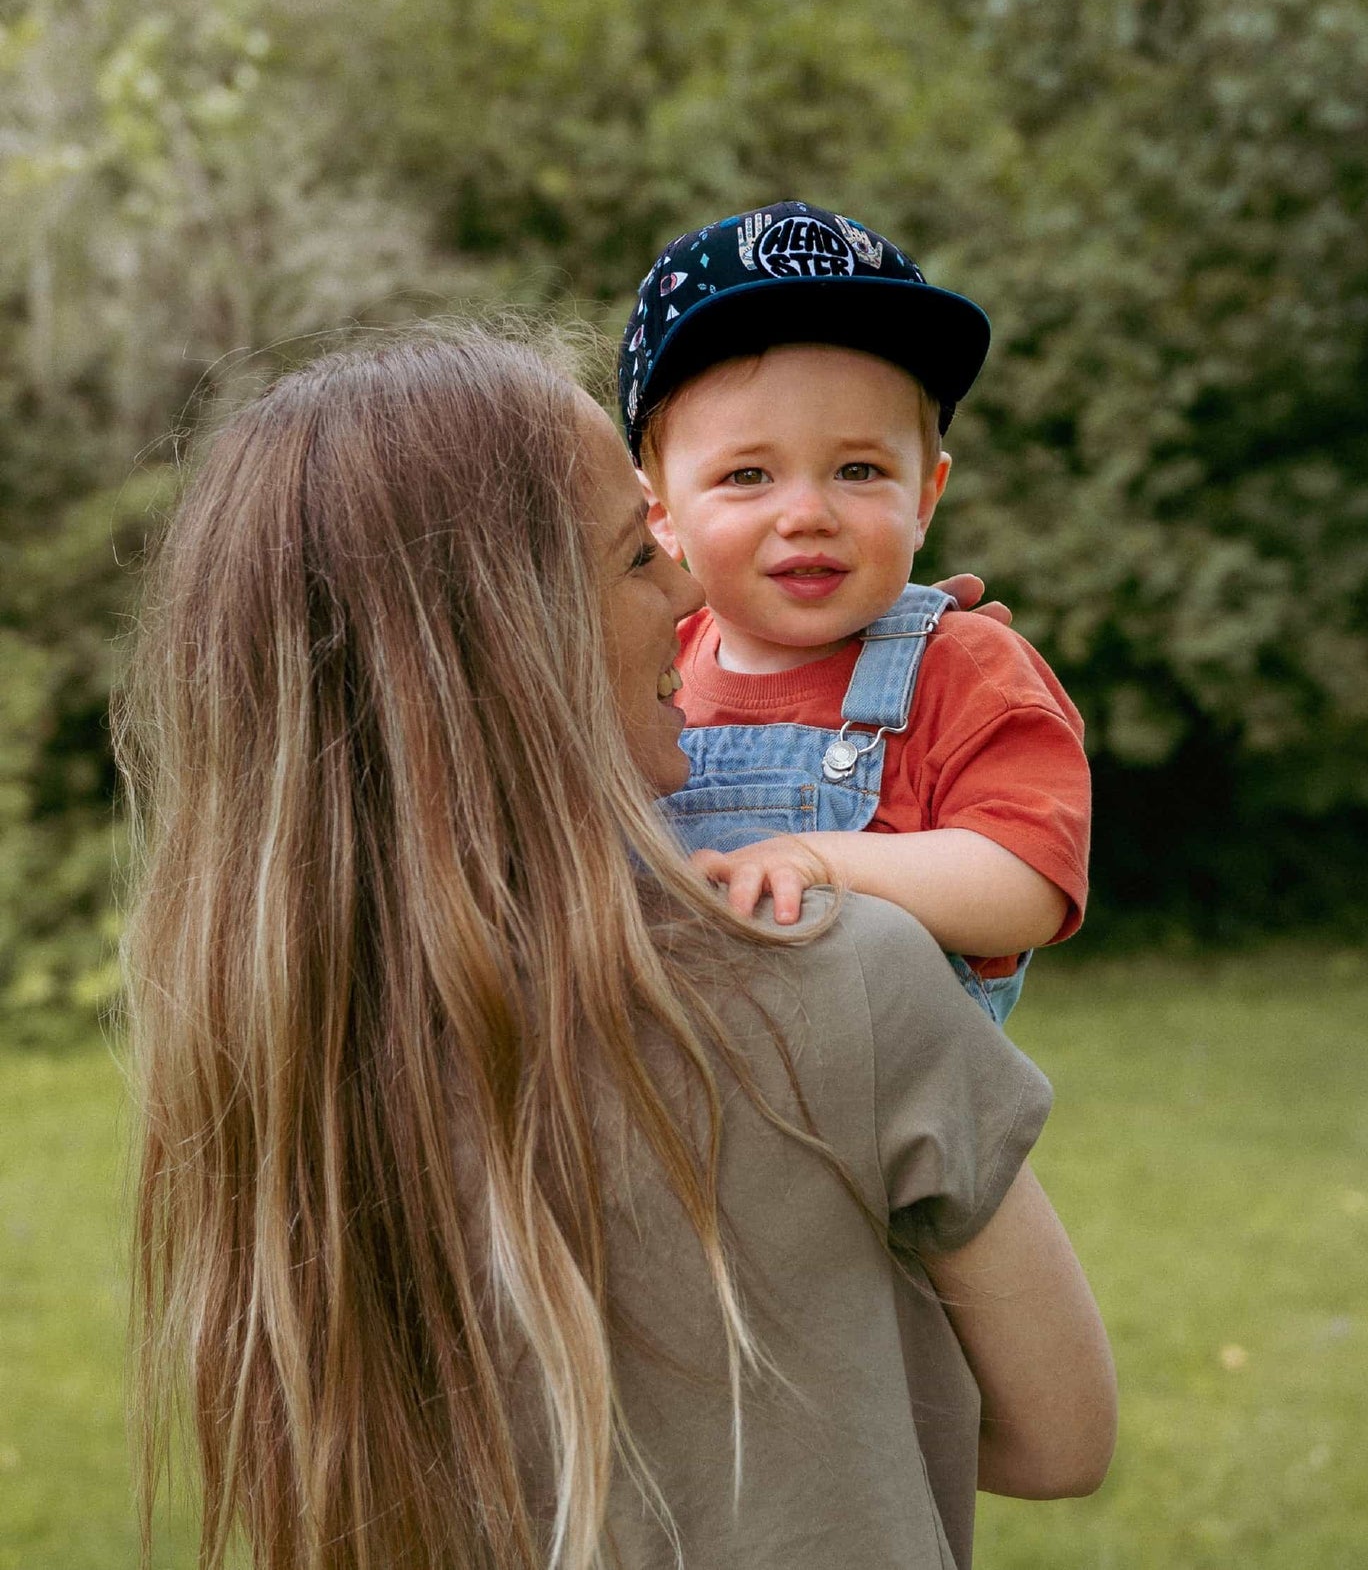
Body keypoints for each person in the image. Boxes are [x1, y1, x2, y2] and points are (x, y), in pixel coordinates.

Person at [118, 327, 1114, 1570]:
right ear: (508, 631)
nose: (697, 592)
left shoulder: (281, 1035)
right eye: (640, 552)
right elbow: (1058, 1441)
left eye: (856, 471)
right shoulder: (837, 976)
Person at [620, 202, 1091, 1023]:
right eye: (747, 476)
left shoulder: (963, 668)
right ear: (660, 511)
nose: (807, 514)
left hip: (882, 1125)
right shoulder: (633, 671)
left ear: (924, 498)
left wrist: (820, 857)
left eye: (859, 470)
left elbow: (1027, 885)